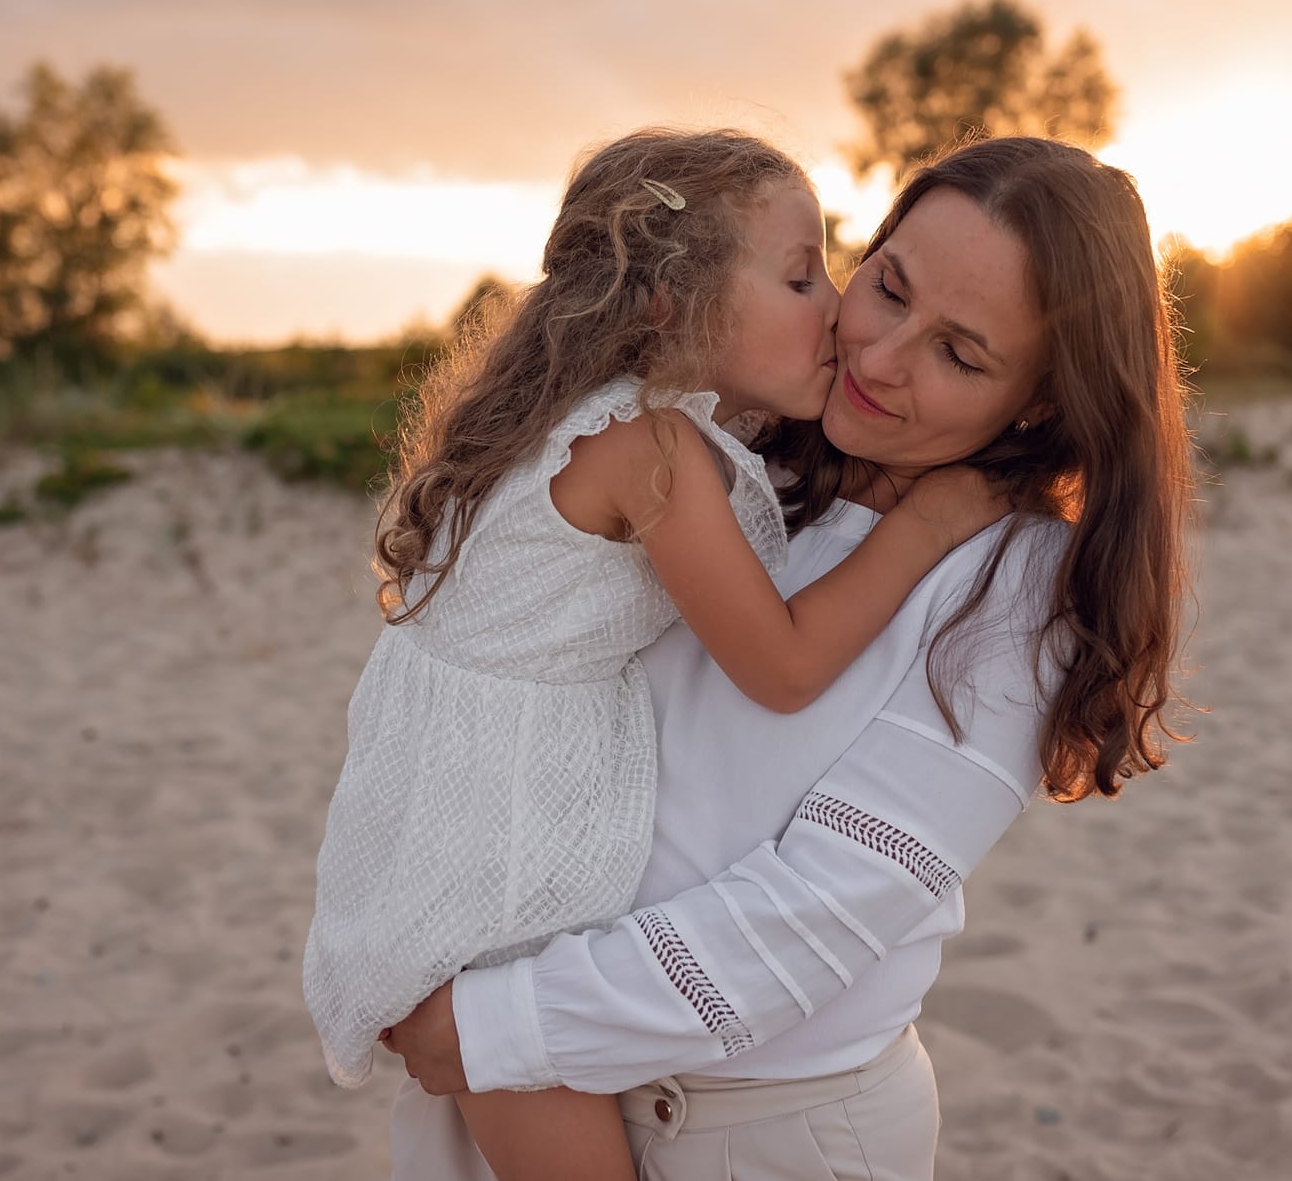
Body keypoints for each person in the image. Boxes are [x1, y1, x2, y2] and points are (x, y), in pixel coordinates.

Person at [383, 134, 1195, 1180]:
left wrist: (498, 1024)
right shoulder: (728, 446)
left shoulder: (1014, 581)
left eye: (959, 355)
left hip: (748, 1134)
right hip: (511, 1086)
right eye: (886, 288)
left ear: (1040, 399)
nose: (878, 359)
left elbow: (814, 916)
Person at [302, 128, 1010, 1181]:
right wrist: (929, 522)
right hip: (505, 882)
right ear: (671, 306)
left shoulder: (587, 423)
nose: (836, 310)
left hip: (448, 832)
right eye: (799, 277)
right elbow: (782, 667)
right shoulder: (651, 452)